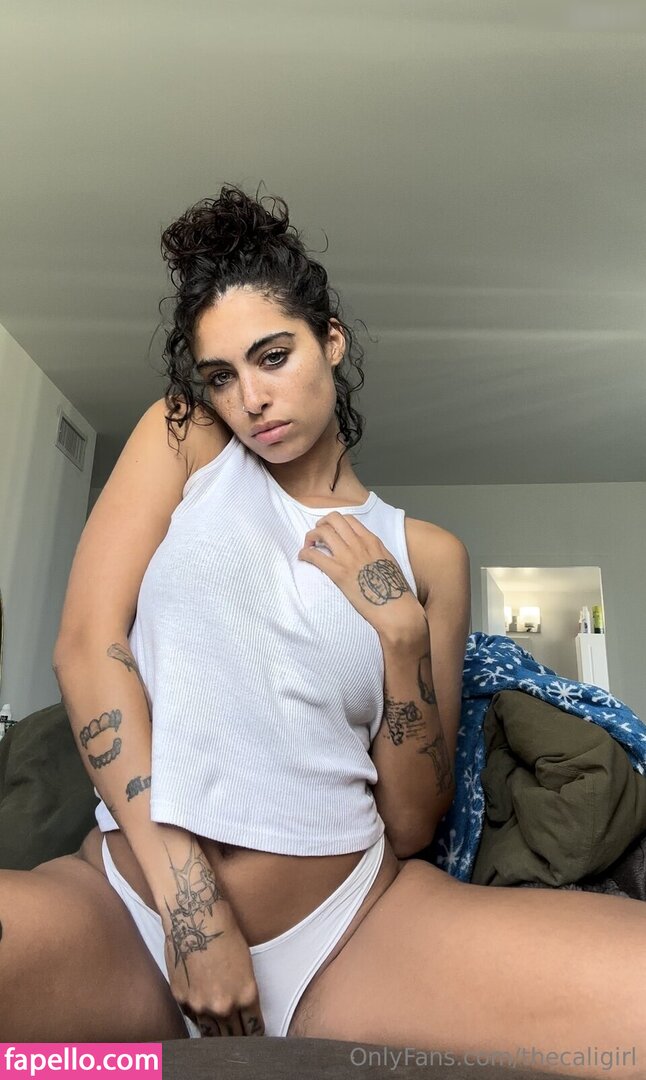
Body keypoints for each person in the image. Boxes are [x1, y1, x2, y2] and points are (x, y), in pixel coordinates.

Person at [2, 184, 645, 1075]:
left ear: (331, 340)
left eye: (274, 356)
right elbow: (86, 646)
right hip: (130, 914)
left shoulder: (429, 554)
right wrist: (193, 911)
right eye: (222, 375)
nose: (251, 398)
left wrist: (402, 638)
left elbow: (412, 822)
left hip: (351, 930)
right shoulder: (185, 438)